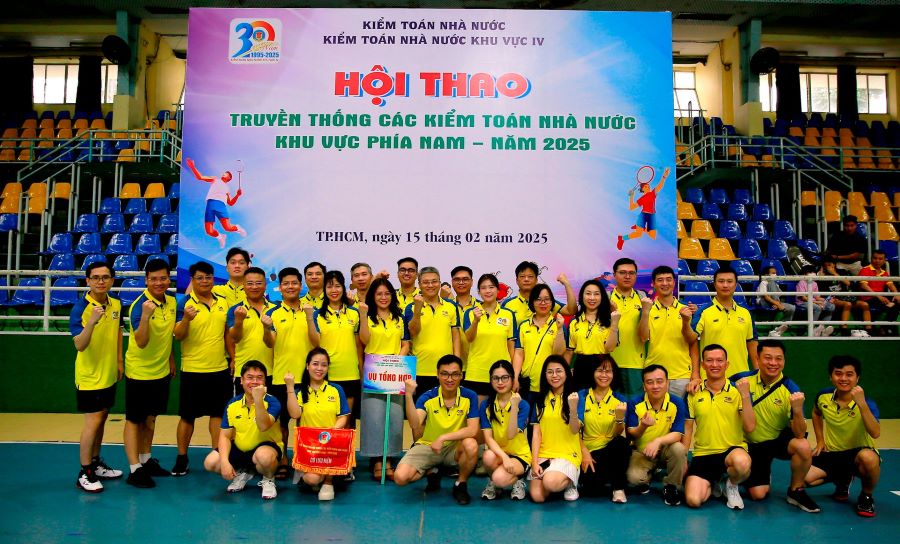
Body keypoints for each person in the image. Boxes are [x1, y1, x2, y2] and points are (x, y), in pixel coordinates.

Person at [730, 339, 820, 513]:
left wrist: (797, 410)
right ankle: (751, 472)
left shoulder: (791, 389)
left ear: (784, 361)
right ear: (757, 358)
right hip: (748, 445)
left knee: (802, 446)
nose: (773, 363)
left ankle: (796, 490)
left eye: (778, 358)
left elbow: (800, 434)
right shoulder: (740, 380)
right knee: (758, 494)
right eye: (768, 358)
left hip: (775, 441)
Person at [171, 261, 232, 477]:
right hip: (193, 370)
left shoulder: (223, 302)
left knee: (217, 415)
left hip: (219, 369)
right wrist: (187, 319)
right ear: (192, 280)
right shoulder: (184, 304)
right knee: (187, 417)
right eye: (200, 278)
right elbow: (178, 335)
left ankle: (217, 454)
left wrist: (233, 358)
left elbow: (226, 334)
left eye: (208, 277)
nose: (205, 281)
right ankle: (182, 457)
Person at [394, 355, 479, 505]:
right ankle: (432, 469)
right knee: (400, 478)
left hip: (454, 448)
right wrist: (408, 395)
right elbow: (414, 424)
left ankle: (461, 484)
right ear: (437, 375)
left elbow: (472, 430)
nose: (449, 379)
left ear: (461, 375)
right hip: (429, 446)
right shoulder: (427, 397)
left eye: (455, 374)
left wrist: (443, 438)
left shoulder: (470, 396)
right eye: (444, 374)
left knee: (471, 444)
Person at [123, 258, 177, 488]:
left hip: (161, 371)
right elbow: (142, 341)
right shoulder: (139, 306)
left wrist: (171, 359)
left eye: (163, 278)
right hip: (139, 373)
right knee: (134, 420)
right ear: (146, 280)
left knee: (151, 418)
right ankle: (134, 468)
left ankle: (146, 460)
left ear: (168, 279)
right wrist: (145, 316)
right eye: (154, 279)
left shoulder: (172, 301)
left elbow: (167, 336)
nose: (159, 283)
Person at [805, 355, 881, 517]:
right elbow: (816, 413)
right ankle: (844, 478)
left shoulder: (868, 403)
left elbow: (875, 433)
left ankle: (866, 496)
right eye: (838, 373)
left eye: (849, 374)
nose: (844, 378)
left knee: (870, 459)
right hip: (833, 454)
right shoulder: (823, 396)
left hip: (858, 455)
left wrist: (861, 404)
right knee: (804, 479)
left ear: (857, 378)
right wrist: (820, 441)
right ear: (830, 377)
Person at [71, 261, 124, 492]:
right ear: (88, 281)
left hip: (108, 373)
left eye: (105, 277)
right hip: (90, 376)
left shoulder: (116, 303)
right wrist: (91, 321)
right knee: (92, 421)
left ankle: (95, 462)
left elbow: (118, 332)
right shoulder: (80, 308)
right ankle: (85, 472)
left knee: (102, 418)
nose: (100, 281)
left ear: (112, 280)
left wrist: (119, 361)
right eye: (95, 277)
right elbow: (80, 345)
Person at [683, 344, 756, 509]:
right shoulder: (693, 392)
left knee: (742, 463)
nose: (714, 365)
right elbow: (688, 428)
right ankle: (714, 481)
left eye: (719, 360)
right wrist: (683, 458)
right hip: (703, 455)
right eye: (709, 361)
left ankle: (731, 484)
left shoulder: (738, 391)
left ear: (727, 364)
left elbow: (750, 427)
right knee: (693, 500)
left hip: (731, 451)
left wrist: (745, 395)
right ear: (703, 365)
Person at [203, 361, 282, 500]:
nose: (254, 382)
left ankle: (268, 478)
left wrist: (258, 399)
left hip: (266, 447)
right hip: (241, 448)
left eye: (259, 378)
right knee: (210, 462)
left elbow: (263, 426)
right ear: (241, 381)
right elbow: (225, 436)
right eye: (250, 377)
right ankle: (242, 472)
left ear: (265, 381)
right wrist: (224, 462)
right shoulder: (232, 404)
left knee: (264, 457)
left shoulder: (273, 402)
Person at [264, 267, 314, 480]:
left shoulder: (311, 311)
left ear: (301, 286)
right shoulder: (273, 313)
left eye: (294, 283)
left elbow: (317, 341)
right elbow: (269, 343)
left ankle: (304, 460)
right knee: (282, 423)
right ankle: (283, 459)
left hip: (308, 378)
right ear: (280, 287)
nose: (291, 287)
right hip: (281, 377)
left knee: (305, 422)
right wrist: (265, 328)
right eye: (286, 283)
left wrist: (310, 317)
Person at [358, 277, 410, 481]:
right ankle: (377, 460)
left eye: (387, 293)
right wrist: (363, 316)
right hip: (373, 372)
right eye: (379, 293)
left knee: (394, 417)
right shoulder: (367, 316)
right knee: (374, 418)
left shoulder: (399, 318)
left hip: (395, 373)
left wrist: (398, 361)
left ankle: (389, 459)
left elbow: (406, 343)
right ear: (372, 296)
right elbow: (364, 340)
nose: (383, 297)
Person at [284, 348, 350, 501]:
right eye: (315, 364)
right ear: (307, 366)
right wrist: (289, 388)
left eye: (324, 365)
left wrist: (332, 433)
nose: (320, 368)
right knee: (311, 479)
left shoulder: (336, 390)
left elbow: (343, 417)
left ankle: (328, 482)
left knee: (337, 448)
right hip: (309, 447)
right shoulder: (299, 392)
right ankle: (318, 477)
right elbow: (294, 414)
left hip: (331, 443)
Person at [625, 364, 688, 506]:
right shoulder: (635, 402)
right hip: (642, 452)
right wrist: (643, 426)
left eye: (660, 381)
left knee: (679, 449)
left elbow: (678, 434)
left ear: (667, 383)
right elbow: (632, 433)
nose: (655, 386)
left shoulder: (677, 402)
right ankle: (648, 475)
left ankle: (671, 486)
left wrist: (658, 441)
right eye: (650, 382)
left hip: (666, 451)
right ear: (644, 386)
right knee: (634, 478)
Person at [306, 270, 362, 428]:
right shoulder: (317, 315)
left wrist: (361, 370)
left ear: (343, 288)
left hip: (350, 373)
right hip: (326, 373)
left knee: (347, 422)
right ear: (324, 289)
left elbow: (358, 345)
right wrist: (309, 318)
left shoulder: (354, 313)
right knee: (328, 420)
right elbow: (315, 342)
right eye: (329, 286)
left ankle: (347, 447)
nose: (334, 290)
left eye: (337, 286)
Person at [639, 265, 698, 398]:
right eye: (660, 280)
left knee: (681, 411)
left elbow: (693, 343)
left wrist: (695, 374)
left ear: (674, 282)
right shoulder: (647, 310)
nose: (665, 283)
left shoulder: (687, 310)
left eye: (668, 279)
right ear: (653, 284)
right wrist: (646, 312)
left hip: (682, 375)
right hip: (654, 374)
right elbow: (643, 338)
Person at [529, 355, 582, 503]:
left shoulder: (576, 397)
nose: (554, 375)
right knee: (538, 497)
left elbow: (575, 430)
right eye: (550, 372)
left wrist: (573, 409)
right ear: (544, 375)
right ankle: (555, 478)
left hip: (567, 454)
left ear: (567, 373)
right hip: (545, 455)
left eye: (559, 371)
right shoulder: (540, 400)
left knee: (550, 483)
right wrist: (534, 462)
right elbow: (536, 435)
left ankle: (570, 483)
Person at [578, 355, 630, 503]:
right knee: (592, 489)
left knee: (621, 443)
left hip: (609, 451)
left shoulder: (620, 399)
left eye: (608, 371)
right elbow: (574, 430)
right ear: (593, 372)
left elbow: (618, 433)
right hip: (588, 453)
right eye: (600, 370)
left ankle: (618, 489)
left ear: (614, 374)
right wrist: (584, 452)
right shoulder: (581, 396)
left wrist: (619, 419)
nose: (604, 375)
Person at [690, 268, 758, 379]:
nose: (725, 285)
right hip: (710, 378)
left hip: (741, 378)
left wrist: (758, 372)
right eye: (721, 281)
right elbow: (691, 340)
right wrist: (696, 373)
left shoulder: (746, 313)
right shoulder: (703, 312)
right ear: (714, 284)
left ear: (736, 285)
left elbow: (752, 344)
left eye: (729, 281)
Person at [404, 267, 461, 399]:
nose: (430, 285)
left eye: (434, 281)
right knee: (419, 410)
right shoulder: (411, 307)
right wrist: (417, 311)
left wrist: (457, 364)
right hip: (419, 371)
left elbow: (456, 337)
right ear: (419, 285)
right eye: (426, 282)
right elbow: (413, 333)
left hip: (446, 372)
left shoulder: (451, 306)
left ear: (440, 283)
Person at [479, 360, 531, 501]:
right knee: (487, 456)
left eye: (505, 378)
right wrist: (504, 457)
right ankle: (494, 483)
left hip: (519, 455)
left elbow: (511, 434)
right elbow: (488, 438)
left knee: (500, 479)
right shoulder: (486, 405)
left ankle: (518, 480)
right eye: (496, 378)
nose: (500, 382)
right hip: (499, 452)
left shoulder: (523, 405)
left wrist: (514, 407)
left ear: (512, 379)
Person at [463, 273, 517, 399]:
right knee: (478, 411)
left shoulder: (508, 314)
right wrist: (476, 321)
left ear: (498, 290)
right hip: (477, 373)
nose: (488, 291)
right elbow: (469, 338)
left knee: (502, 411)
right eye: (483, 288)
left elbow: (511, 348)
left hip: (502, 374)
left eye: (491, 287)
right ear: (479, 292)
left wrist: (513, 374)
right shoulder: (470, 313)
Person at [559, 279, 619, 391]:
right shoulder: (574, 322)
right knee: (581, 400)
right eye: (588, 293)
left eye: (596, 294)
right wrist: (564, 373)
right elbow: (569, 352)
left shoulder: (610, 321)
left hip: (603, 367)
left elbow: (610, 348)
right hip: (581, 367)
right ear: (582, 296)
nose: (592, 298)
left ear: (602, 297)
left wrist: (615, 323)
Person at [513, 283, 565, 402]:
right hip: (526, 384)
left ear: (552, 302)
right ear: (532, 302)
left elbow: (558, 354)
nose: (543, 303)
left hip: (550, 383)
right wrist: (515, 378)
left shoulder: (558, 325)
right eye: (538, 299)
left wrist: (560, 329)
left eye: (547, 299)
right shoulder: (524, 325)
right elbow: (519, 354)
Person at [226, 267, 276, 389]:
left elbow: (274, 342)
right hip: (244, 373)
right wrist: (239, 321)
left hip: (272, 372)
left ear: (265, 285)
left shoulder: (276, 309)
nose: (254, 287)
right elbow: (235, 339)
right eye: (250, 283)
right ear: (243, 285)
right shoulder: (235, 310)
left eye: (258, 283)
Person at [185, 157, 246, 248]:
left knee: (228, 228)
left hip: (221, 205)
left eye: (226, 173)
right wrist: (192, 167)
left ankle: (238, 228)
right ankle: (221, 237)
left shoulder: (227, 189)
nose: (224, 173)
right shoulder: (215, 179)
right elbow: (200, 177)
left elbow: (230, 203)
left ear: (229, 178)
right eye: (224, 172)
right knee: (209, 231)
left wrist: (237, 195)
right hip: (210, 204)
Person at [609, 258, 647, 397]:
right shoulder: (605, 299)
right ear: (614, 274)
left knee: (635, 407)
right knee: (611, 407)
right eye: (622, 272)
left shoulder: (643, 298)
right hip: (609, 365)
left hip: (636, 365)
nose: (627, 276)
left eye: (631, 273)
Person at [501, 261, 575, 325]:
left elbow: (571, 310)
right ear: (517, 280)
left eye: (530, 276)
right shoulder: (508, 304)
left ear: (536, 280)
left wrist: (567, 284)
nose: (526, 279)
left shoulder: (546, 303)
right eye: (522, 276)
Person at [617, 166, 669, 250]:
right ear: (642, 189)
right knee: (638, 234)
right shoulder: (642, 199)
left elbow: (660, 186)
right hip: (643, 215)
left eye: (649, 186)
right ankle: (622, 238)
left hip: (652, 216)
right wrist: (631, 196)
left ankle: (641, 228)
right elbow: (631, 207)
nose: (648, 187)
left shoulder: (652, 194)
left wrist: (664, 177)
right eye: (646, 186)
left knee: (653, 236)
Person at [819, 256, 871, 337]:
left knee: (865, 305)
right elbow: (822, 292)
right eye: (826, 265)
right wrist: (821, 277)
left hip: (845, 297)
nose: (828, 267)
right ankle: (844, 329)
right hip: (833, 299)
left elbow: (849, 283)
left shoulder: (842, 272)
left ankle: (869, 329)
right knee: (847, 304)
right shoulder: (823, 275)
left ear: (834, 264)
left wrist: (835, 274)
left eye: (830, 265)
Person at [858, 249, 900, 335]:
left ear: (884, 260)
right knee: (893, 306)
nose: (877, 261)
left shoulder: (884, 273)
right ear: (871, 258)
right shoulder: (865, 270)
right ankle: (885, 328)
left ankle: (885, 328)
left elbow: (891, 285)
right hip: (868, 298)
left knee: (897, 303)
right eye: (875, 258)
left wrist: (897, 294)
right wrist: (879, 296)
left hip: (880, 298)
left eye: (880, 259)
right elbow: (863, 286)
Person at [796, 265, 835, 337]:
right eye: (810, 272)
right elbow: (803, 298)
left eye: (814, 272)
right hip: (803, 303)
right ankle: (811, 328)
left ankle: (822, 328)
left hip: (814, 302)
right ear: (805, 274)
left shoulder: (814, 283)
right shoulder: (801, 282)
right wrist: (817, 302)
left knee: (831, 306)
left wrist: (826, 300)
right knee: (817, 308)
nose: (813, 273)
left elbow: (817, 297)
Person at [756, 265, 795, 336]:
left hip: (774, 302)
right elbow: (766, 297)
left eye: (775, 273)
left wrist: (777, 303)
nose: (775, 275)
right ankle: (774, 329)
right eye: (773, 273)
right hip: (764, 301)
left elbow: (779, 296)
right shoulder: (763, 282)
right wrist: (777, 304)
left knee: (792, 308)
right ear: (766, 274)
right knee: (771, 282)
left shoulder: (775, 284)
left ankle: (782, 326)